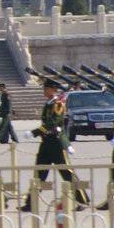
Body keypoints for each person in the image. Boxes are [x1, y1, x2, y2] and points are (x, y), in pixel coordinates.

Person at [21, 80, 89, 212]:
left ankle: (83, 201)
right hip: (46, 143)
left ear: (53, 89)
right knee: (39, 174)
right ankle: (30, 203)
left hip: (57, 143)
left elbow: (53, 123)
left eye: (46, 88)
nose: (44, 91)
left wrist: (34, 132)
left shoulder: (58, 104)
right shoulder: (48, 105)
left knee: (67, 174)